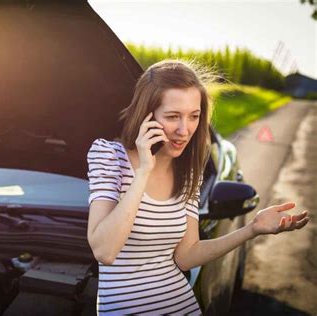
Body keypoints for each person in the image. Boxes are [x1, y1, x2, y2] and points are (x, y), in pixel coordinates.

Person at [86, 59, 310, 315]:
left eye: (194, 116)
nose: (185, 130)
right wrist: (143, 172)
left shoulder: (187, 169)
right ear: (146, 115)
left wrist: (252, 230)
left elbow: (186, 255)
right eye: (172, 117)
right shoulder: (109, 156)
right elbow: (105, 251)